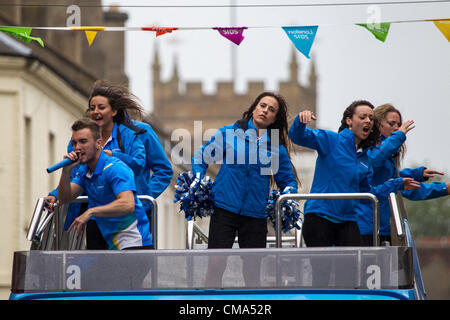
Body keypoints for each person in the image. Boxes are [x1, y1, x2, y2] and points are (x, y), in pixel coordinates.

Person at [288, 100, 420, 287]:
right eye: (362, 117)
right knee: (322, 275)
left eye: (371, 118)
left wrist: (397, 183)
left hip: (347, 220)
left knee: (350, 276)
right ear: (349, 121)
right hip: (320, 216)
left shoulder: (365, 158)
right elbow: (298, 136)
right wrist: (301, 120)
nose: (368, 121)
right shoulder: (331, 140)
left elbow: (368, 193)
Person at [45, 81, 171, 249]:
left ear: (114, 111)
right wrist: (55, 194)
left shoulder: (139, 133)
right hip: (98, 214)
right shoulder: (80, 141)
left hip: (127, 214)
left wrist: (144, 197)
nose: (95, 112)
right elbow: (79, 176)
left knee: (126, 268)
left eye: (101, 107)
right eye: (92, 108)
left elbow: (163, 170)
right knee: (97, 270)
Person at [192, 92, 299, 287]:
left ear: (275, 118)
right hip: (224, 208)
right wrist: (198, 179)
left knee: (252, 271)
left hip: (255, 215)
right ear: (254, 108)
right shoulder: (229, 134)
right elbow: (201, 157)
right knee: (216, 263)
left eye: (271, 110)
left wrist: (289, 195)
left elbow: (287, 180)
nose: (265, 111)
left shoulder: (276, 147)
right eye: (262, 105)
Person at [359, 103, 450, 246]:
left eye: (399, 124)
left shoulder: (388, 157)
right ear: (377, 125)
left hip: (382, 227)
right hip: (365, 226)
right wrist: (399, 136)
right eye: (392, 123)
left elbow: (399, 183)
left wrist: (420, 175)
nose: (397, 128)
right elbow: (375, 161)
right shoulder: (368, 150)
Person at [58, 118, 152, 250]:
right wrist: (66, 171)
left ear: (98, 143)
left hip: (134, 245)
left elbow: (128, 204)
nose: (77, 148)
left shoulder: (115, 168)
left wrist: (91, 212)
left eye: (83, 141)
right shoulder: (85, 170)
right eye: (74, 143)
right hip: (111, 245)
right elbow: (64, 198)